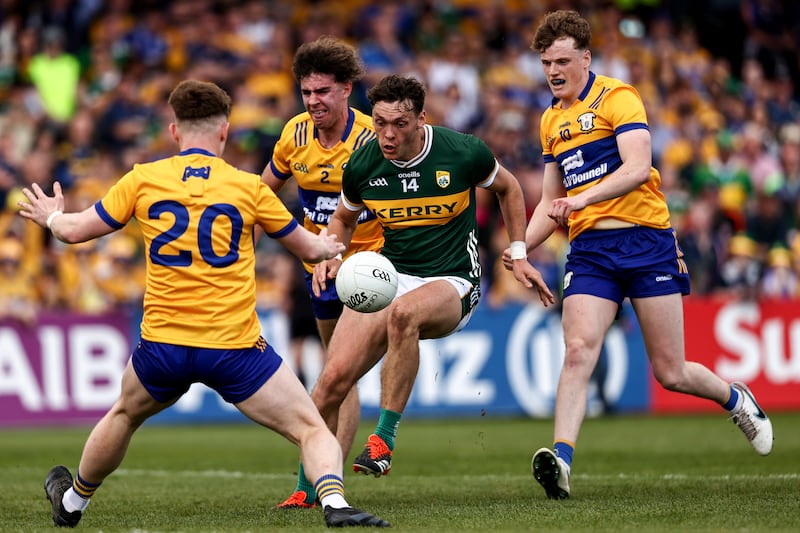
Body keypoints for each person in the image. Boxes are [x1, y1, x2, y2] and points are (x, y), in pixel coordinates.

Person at [18, 79, 388, 528]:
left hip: (163, 346)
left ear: (174, 132)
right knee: (310, 427)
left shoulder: (143, 178)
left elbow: (73, 232)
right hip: (233, 348)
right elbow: (310, 250)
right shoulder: (248, 188)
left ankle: (74, 502)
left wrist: (52, 215)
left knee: (123, 415)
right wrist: (336, 243)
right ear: (225, 131)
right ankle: (334, 504)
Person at [505, 10, 773, 501]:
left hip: (646, 241)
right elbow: (550, 202)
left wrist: (582, 199)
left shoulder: (618, 97)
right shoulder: (550, 119)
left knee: (670, 372)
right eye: (546, 62)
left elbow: (637, 167)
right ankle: (561, 460)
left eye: (562, 60)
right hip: (590, 251)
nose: (553, 71)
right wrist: (520, 246)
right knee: (579, 350)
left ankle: (736, 399)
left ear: (586, 58)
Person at [274, 73, 554, 504]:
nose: (388, 134)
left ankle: (383, 442)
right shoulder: (365, 164)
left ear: (421, 118)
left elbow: (509, 188)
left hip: (454, 279)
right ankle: (305, 487)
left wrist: (519, 254)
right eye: (381, 123)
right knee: (330, 382)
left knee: (405, 313)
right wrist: (330, 251)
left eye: (400, 124)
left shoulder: (461, 152)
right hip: (392, 275)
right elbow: (344, 219)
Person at [260, 35, 382, 509]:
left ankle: (318, 481)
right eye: (306, 93)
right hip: (321, 268)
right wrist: (303, 245)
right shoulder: (294, 135)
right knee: (336, 369)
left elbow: (395, 203)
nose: (313, 102)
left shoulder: (374, 136)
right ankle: (321, 478)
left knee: (338, 370)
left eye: (322, 92)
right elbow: (262, 193)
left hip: (372, 267)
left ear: (346, 89)